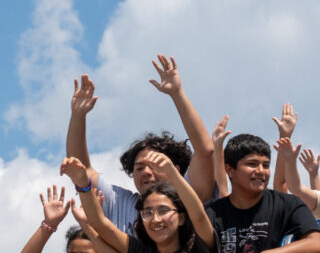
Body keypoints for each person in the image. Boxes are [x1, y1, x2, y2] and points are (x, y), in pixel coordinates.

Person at [65, 55, 215, 233]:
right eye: (139, 168)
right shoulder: (123, 203)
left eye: (155, 165)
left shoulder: (191, 193)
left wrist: (177, 93)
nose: (146, 172)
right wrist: (78, 116)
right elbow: (80, 169)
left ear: (175, 168)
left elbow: (205, 151)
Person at [60, 154, 220, 253]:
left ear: (181, 217)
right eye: (148, 213)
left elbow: (200, 216)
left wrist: (173, 174)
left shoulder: (199, 250)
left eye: (163, 211)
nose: (156, 219)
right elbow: (98, 222)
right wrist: (82, 184)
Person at [208, 133, 320, 253]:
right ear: (230, 170)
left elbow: (316, 246)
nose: (261, 171)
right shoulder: (213, 213)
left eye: (265, 165)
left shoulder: (287, 204)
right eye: (252, 164)